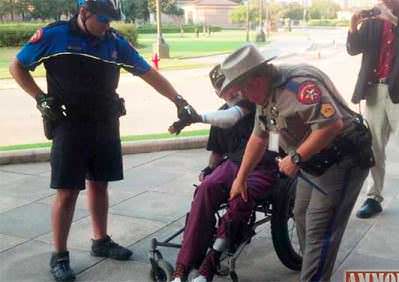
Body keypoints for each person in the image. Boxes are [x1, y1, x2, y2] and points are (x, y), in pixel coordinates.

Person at [9, 1, 195, 281]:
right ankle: (59, 255)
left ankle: (100, 241)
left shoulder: (115, 42)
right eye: (103, 19)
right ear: (84, 13)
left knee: (99, 184)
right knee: (67, 190)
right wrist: (41, 98)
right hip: (69, 125)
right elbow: (17, 66)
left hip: (106, 123)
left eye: (111, 21)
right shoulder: (53, 36)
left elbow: (149, 73)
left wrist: (179, 101)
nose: (107, 26)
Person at [222, 44, 373, 282]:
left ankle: (314, 274)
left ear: (260, 76)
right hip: (313, 160)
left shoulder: (299, 86)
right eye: (239, 90)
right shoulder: (263, 93)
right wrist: (240, 179)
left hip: (343, 158)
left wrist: (295, 158)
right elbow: (258, 136)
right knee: (301, 214)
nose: (244, 95)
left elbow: (332, 126)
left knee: (319, 230)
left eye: (245, 88)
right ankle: (313, 269)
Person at [169, 64, 278, 282]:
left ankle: (209, 266)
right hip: (232, 164)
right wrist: (209, 170)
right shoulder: (219, 115)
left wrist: (197, 117)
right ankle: (183, 267)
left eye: (234, 85)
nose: (234, 91)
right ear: (219, 92)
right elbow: (218, 150)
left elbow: (235, 118)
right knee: (205, 189)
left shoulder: (256, 102)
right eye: (226, 88)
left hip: (263, 166)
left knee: (240, 197)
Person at [347, 0, 399, 234]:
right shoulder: (372, 18)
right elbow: (354, 49)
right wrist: (353, 25)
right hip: (373, 91)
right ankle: (374, 197)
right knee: (373, 149)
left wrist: (393, 20)